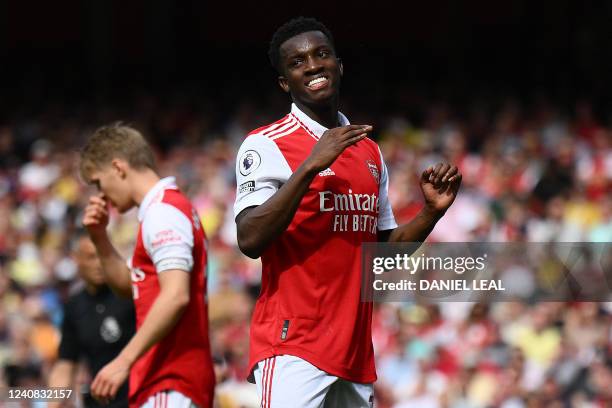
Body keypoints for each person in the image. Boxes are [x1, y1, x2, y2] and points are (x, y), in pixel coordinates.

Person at [234, 17, 462, 407]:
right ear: (285, 83)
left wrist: (431, 213)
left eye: (321, 54)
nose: (312, 65)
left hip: (354, 352)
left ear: (339, 65)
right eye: (298, 61)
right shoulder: (266, 145)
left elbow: (382, 256)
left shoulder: (368, 151)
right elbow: (249, 239)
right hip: (293, 346)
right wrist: (310, 165)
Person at [79, 124, 215, 407]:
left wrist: (122, 361)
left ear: (118, 167)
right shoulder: (166, 209)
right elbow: (131, 288)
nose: (101, 195)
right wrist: (100, 238)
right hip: (171, 379)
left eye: (98, 182)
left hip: (169, 376)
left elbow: (175, 296)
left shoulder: (163, 212)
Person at [48, 233, 135, 408]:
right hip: (103, 402)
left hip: (139, 398)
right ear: (76, 259)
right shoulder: (74, 306)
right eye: (91, 257)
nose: (98, 264)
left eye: (102, 256)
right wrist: (53, 403)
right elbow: (66, 363)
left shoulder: (129, 294)